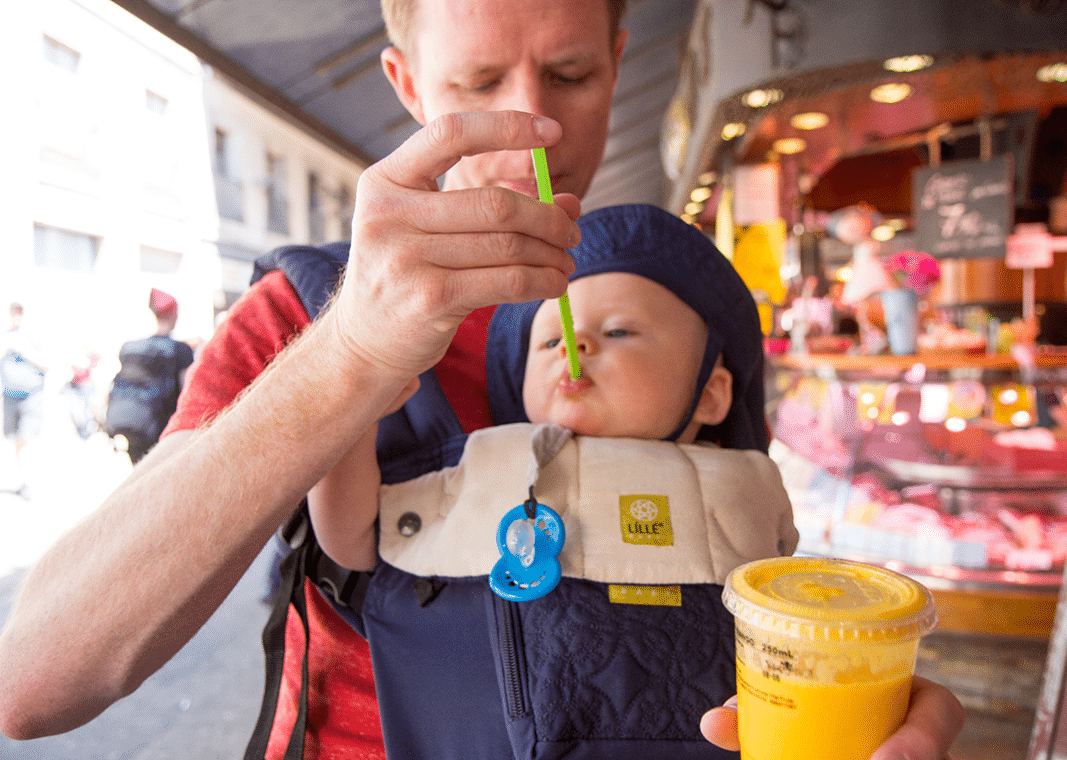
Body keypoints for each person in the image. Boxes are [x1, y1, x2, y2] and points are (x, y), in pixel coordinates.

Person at [0, 0, 963, 757]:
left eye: (573, 73)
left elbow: (739, 581)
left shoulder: (668, 312)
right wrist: (351, 354)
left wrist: (850, 698)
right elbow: (35, 679)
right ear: (407, 82)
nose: (531, 121)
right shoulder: (310, 308)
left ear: (621, 62)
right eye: (477, 81)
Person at [307, 204, 797, 757]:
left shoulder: (751, 482)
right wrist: (351, 406)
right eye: (547, 342)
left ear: (712, 394)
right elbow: (353, 539)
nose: (575, 342)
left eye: (619, 330)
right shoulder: (485, 461)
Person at [104, 289, 195, 464]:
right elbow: (187, 393)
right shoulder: (180, 350)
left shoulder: (130, 347)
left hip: (132, 423)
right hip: (162, 430)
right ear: (174, 316)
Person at [0, 303, 49, 499]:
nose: (16, 316)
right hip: (10, 397)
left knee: (27, 439)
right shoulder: (5, 336)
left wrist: (24, 349)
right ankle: (24, 479)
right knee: (15, 440)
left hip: (31, 398)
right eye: (14, 312)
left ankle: (30, 482)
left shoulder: (34, 337)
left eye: (20, 312)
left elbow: (48, 363)